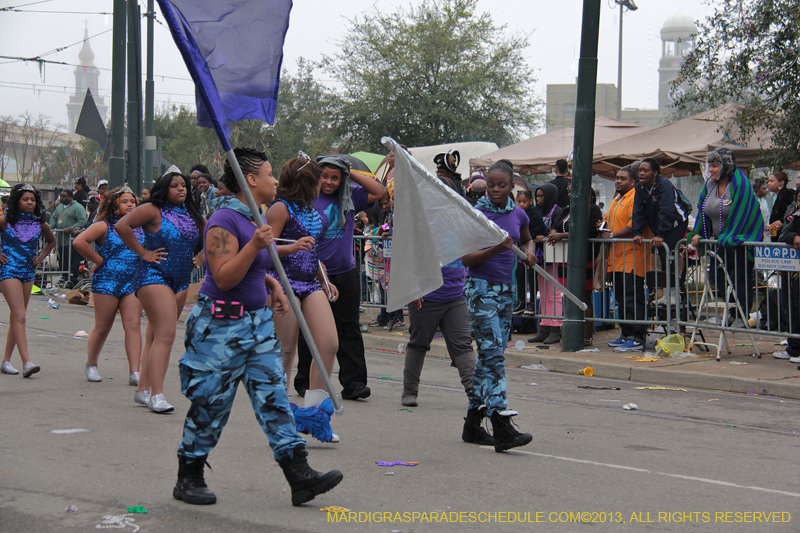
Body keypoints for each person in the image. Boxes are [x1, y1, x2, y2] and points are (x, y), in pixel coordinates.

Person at [173, 147, 343, 507]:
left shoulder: (254, 217)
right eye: (269, 175)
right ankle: (189, 474)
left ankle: (299, 475)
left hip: (255, 325)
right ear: (251, 180)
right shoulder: (224, 220)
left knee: (275, 399)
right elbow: (223, 274)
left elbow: (257, 264)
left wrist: (272, 284)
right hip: (220, 327)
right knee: (211, 404)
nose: (275, 181)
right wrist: (254, 245)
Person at [293, 156, 386, 400]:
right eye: (325, 176)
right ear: (317, 176)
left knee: (348, 328)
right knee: (310, 331)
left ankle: (354, 383)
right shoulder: (309, 197)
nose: (329, 182)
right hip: (314, 274)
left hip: (345, 273)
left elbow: (380, 191)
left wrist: (349, 172)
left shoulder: (351, 195)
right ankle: (305, 382)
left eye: (335, 178)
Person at [461, 159, 536, 453]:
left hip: (506, 292)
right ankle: (501, 423)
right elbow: (467, 259)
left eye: (501, 185)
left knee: (489, 357)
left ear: (511, 186)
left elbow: (527, 240)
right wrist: (496, 247)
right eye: (490, 184)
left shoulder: (518, 214)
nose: (495, 189)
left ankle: (472, 423)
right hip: (480, 290)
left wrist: (529, 255)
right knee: (494, 356)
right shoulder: (477, 214)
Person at [266, 157, 340, 443]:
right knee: (286, 351)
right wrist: (293, 247)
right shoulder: (280, 208)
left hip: (310, 283)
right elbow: (264, 248)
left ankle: (315, 416)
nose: (323, 183)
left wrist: (325, 280)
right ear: (306, 181)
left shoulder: (313, 212)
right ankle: (281, 419)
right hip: (283, 282)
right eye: (317, 178)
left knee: (328, 344)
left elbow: (314, 251)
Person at [116, 171, 204, 413]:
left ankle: (142, 389)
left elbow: (212, 236)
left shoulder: (192, 213)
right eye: (175, 186)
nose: (181, 189)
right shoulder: (152, 209)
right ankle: (157, 394)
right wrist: (142, 252)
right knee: (166, 335)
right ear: (164, 189)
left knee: (155, 336)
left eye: (184, 185)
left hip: (181, 279)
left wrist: (201, 256)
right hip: (154, 276)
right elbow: (122, 225)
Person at [72, 187, 145, 384]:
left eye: (133, 201)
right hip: (108, 281)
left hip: (133, 282)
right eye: (125, 201)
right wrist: (99, 259)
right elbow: (80, 241)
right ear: (114, 205)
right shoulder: (104, 226)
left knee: (133, 324)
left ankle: (135, 371)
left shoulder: (141, 227)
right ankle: (92, 364)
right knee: (103, 325)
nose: (130, 204)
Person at [688, 148, 763, 329]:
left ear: (725, 166)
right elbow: (702, 211)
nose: (710, 170)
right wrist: (697, 233)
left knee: (740, 279)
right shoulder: (709, 186)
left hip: (739, 242)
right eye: (709, 166)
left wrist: (730, 236)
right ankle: (730, 311)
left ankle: (740, 316)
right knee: (716, 277)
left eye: (714, 166)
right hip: (718, 242)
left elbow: (743, 213)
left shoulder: (740, 184)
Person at [0, 184, 56, 377]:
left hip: (28, 271)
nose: (30, 202)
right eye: (25, 199)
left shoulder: (40, 223)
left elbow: (51, 241)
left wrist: (40, 258)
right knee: (19, 315)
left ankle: (6, 361)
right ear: (17, 201)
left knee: (18, 316)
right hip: (8, 269)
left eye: (32, 199)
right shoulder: (4, 220)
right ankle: (26, 362)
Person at [600, 167, 650, 352]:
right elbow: (607, 219)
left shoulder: (635, 197)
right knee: (620, 298)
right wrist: (602, 226)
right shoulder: (616, 199)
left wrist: (611, 235)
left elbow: (633, 225)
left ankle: (637, 337)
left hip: (631, 257)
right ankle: (625, 333)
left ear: (632, 182)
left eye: (622, 178)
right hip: (616, 258)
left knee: (632, 298)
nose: (618, 181)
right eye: (616, 178)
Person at [548, 186, 604, 346]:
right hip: (565, 259)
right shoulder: (566, 210)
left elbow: (588, 231)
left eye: (574, 190)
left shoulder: (592, 210)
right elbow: (555, 223)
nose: (571, 193)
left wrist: (562, 235)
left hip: (583, 259)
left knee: (584, 297)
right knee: (568, 297)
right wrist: (553, 232)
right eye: (568, 191)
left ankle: (586, 336)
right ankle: (570, 334)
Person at [631, 158, 689, 305]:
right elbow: (638, 211)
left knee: (669, 254)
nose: (641, 173)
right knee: (663, 257)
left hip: (676, 222)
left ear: (655, 173)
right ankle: (666, 293)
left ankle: (675, 295)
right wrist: (636, 232)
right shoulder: (640, 187)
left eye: (645, 170)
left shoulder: (664, 185)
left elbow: (667, 210)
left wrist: (660, 234)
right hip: (659, 225)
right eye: (640, 171)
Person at [527, 183, 564, 344]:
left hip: (553, 257)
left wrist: (546, 236)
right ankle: (544, 325)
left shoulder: (558, 212)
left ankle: (556, 326)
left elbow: (555, 229)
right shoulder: (537, 211)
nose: (538, 199)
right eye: (537, 196)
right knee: (543, 293)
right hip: (541, 257)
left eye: (542, 196)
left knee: (553, 293)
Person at [513, 190, 547, 316]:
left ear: (531, 201)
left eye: (524, 201)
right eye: (519, 201)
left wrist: (528, 240)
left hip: (535, 248)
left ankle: (532, 302)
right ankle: (521, 301)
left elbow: (537, 230)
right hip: (521, 249)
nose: (521, 204)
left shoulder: (534, 213)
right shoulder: (516, 213)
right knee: (520, 273)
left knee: (532, 275)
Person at [51, 188, 87, 288]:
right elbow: (54, 218)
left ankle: (72, 279)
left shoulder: (78, 207)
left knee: (72, 260)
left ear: (70, 197)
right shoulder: (59, 207)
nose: (61, 198)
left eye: (64, 196)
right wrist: (50, 226)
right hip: (61, 239)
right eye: (61, 196)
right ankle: (64, 277)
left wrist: (71, 229)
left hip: (71, 240)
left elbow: (82, 221)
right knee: (62, 259)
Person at [767, 171, 793, 242]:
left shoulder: (787, 194)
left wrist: (782, 221)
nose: (768, 184)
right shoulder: (778, 196)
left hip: (783, 235)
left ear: (781, 182)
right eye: (768, 181)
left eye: (771, 181)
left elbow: (792, 211)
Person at [753, 178, 770, 243]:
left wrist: (767, 226)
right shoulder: (753, 201)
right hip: (755, 230)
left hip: (765, 231)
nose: (766, 191)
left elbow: (767, 216)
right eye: (763, 189)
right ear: (757, 189)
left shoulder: (764, 202)